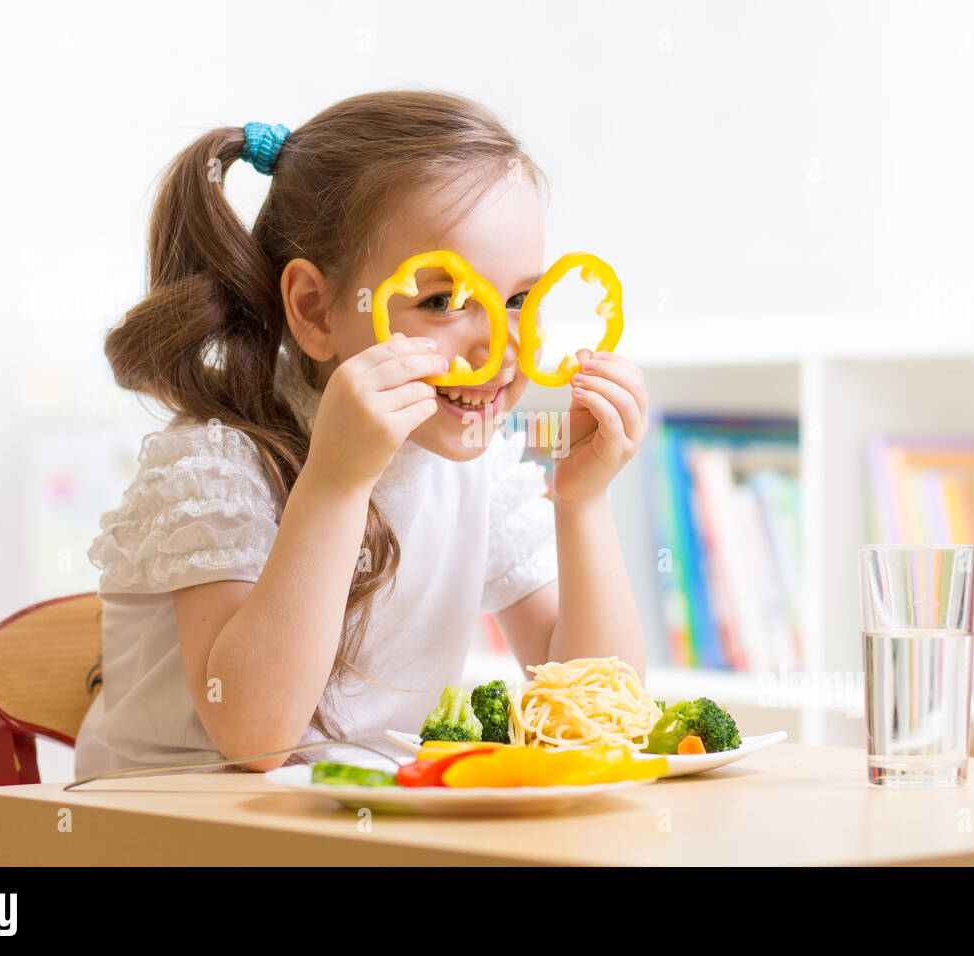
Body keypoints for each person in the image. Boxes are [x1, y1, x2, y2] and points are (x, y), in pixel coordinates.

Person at [74, 91, 649, 777]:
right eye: (444, 301)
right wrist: (338, 482)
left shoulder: (474, 471)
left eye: (520, 300)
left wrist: (583, 504)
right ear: (315, 310)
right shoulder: (217, 464)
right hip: (173, 838)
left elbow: (594, 714)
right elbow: (255, 735)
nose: (498, 346)